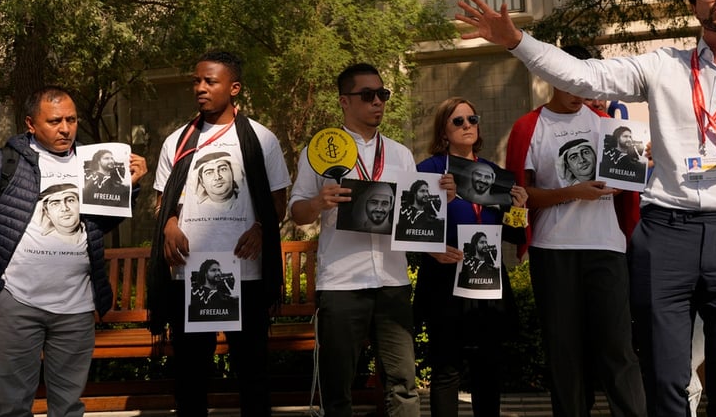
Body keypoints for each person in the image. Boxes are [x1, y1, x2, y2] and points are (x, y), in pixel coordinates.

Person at [459, 0, 716, 417]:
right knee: (664, 381)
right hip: (666, 234)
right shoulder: (662, 66)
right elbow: (583, 76)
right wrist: (518, 41)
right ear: (693, 2)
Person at [149, 51, 290, 417]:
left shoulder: (261, 139)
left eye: (210, 81)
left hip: (246, 274)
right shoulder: (177, 141)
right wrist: (168, 226)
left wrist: (261, 229)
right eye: (197, 81)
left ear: (234, 88)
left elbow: (278, 202)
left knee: (252, 372)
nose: (200, 88)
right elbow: (163, 203)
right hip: (191, 274)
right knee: (191, 375)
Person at [504, 63, 647, 417]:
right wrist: (571, 193)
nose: (579, 95)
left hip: (606, 246)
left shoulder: (608, 124)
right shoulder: (529, 127)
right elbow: (521, 195)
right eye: (571, 86)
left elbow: (630, 190)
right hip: (553, 249)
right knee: (564, 352)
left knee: (618, 349)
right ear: (553, 80)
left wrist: (643, 164)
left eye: (585, 87)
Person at [0, 86, 147, 417]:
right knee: (10, 404)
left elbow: (100, 224)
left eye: (72, 119)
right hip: (17, 301)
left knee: (68, 407)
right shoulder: (7, 162)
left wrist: (131, 186)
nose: (65, 128)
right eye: (54, 121)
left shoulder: (93, 163)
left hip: (76, 307)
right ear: (31, 124)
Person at [290, 63, 420, 417]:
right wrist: (319, 202)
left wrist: (442, 197)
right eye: (368, 95)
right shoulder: (319, 152)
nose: (378, 102)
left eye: (383, 94)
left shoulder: (400, 154)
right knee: (338, 389)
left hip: (393, 280)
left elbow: (416, 215)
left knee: (403, 385)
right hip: (343, 283)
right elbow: (297, 212)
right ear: (344, 102)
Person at [415, 96, 527, 417]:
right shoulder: (430, 169)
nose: (468, 126)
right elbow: (412, 227)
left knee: (488, 369)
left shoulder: (495, 173)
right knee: (446, 369)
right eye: (458, 121)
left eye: (472, 119)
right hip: (446, 277)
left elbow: (514, 235)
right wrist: (440, 200)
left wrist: (518, 210)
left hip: (488, 279)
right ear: (444, 131)